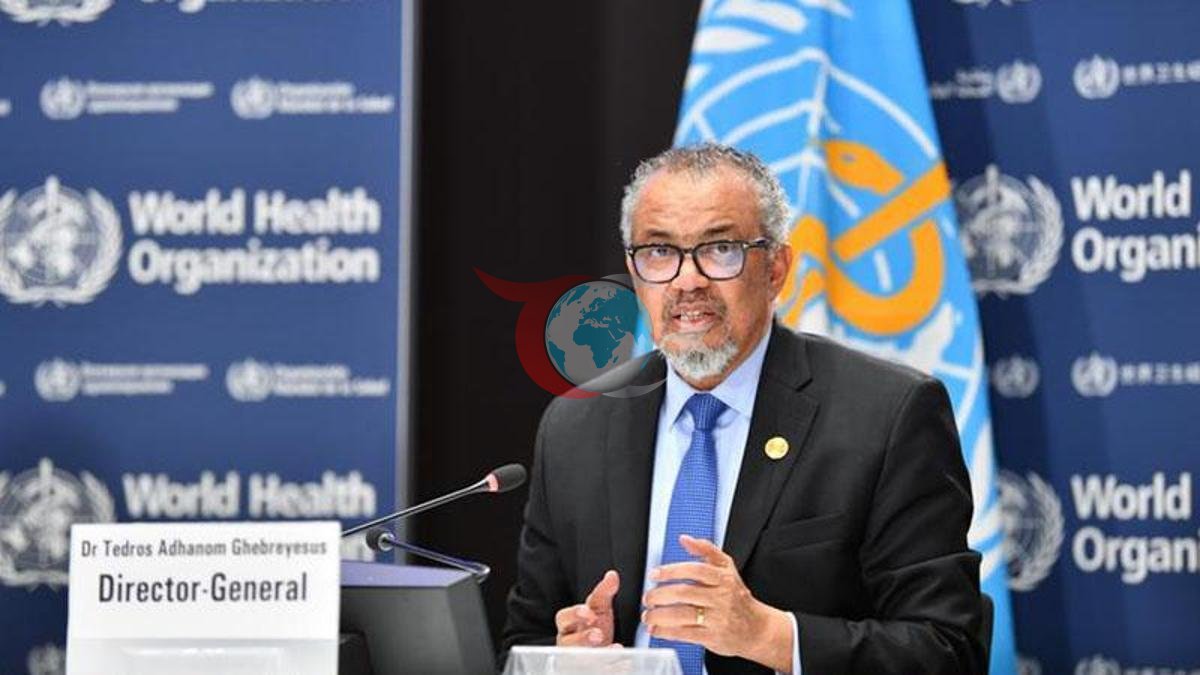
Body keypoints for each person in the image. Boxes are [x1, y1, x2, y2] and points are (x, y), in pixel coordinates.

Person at [502, 144, 986, 674]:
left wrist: (769, 636)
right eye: (659, 252)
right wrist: (566, 659)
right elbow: (524, 638)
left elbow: (947, 649)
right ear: (634, 273)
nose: (687, 280)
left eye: (720, 249)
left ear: (776, 268)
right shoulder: (576, 426)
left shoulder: (886, 415)